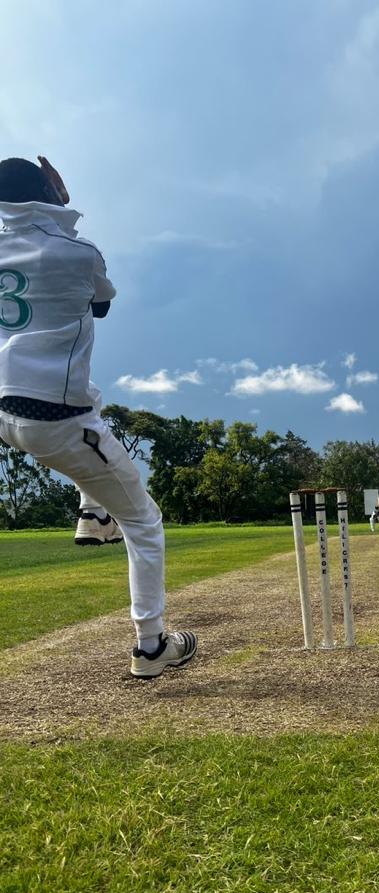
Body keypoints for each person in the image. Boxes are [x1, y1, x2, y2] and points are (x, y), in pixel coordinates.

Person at [0, 156, 197, 678]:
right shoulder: (78, 251)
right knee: (145, 522)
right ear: (48, 189)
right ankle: (152, 646)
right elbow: (102, 306)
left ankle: (92, 514)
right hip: (59, 421)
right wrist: (63, 208)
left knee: (95, 395)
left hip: (7, 412)